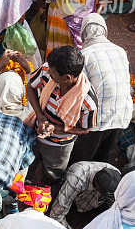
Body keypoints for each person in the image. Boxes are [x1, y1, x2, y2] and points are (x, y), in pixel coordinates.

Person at [22, 46, 98, 184]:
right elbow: (30, 87)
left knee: (52, 175)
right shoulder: (47, 70)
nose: (48, 71)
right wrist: (39, 115)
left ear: (67, 78)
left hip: (59, 146)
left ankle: (47, 191)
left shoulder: (87, 102)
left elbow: (85, 129)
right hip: (34, 133)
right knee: (26, 165)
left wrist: (55, 128)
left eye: (53, 73)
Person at [66, 14, 132, 165]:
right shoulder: (120, 50)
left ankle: (76, 180)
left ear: (83, 34)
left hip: (98, 118)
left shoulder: (84, 55)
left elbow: (80, 90)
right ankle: (98, 181)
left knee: (82, 158)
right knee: (103, 155)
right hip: (122, 114)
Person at [48, 162, 121, 229]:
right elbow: (56, 215)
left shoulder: (116, 174)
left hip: (89, 200)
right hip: (72, 194)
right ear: (98, 187)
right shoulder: (77, 179)